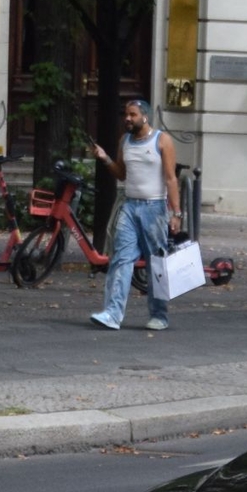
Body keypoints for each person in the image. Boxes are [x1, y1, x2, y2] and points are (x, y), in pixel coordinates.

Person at [87, 97, 180, 332]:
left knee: (155, 263)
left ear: (144, 117)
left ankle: (159, 314)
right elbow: (121, 174)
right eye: (126, 115)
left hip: (154, 209)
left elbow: (171, 178)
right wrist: (105, 158)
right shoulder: (125, 141)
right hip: (129, 206)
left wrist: (176, 213)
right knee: (121, 259)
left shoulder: (162, 140)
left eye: (132, 115)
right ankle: (112, 313)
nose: (127, 119)